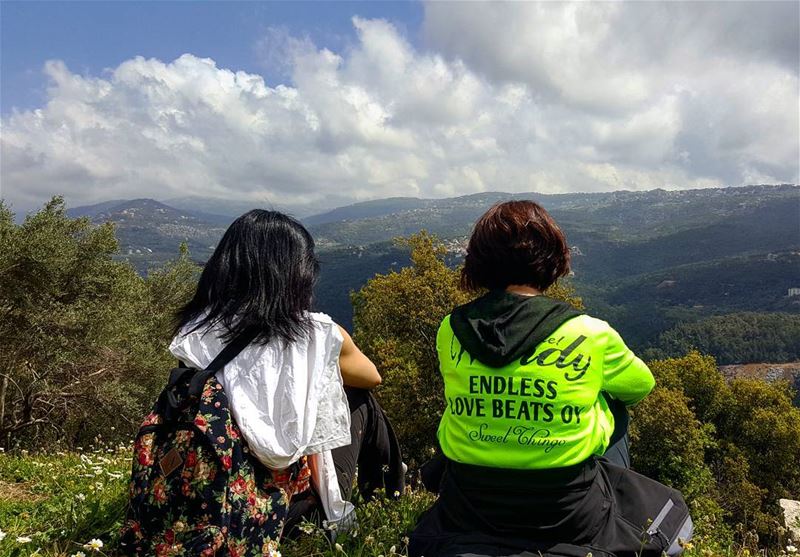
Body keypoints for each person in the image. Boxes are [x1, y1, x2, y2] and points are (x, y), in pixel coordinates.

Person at [409, 201, 689, 557]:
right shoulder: (590, 333)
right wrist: (596, 415)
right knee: (614, 402)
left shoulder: (451, 328)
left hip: (468, 506)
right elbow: (639, 386)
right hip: (566, 514)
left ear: (480, 261)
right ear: (553, 259)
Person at [169, 209, 404, 538]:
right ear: (296, 273)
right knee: (361, 399)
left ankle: (389, 489)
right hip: (285, 517)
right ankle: (389, 491)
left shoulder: (194, 330)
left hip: (209, 499)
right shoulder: (318, 334)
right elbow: (371, 376)